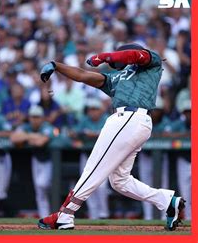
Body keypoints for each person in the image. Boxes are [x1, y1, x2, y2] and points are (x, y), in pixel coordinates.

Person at [37, 43, 185, 231]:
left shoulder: (151, 61)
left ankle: (65, 214)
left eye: (120, 55)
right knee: (119, 181)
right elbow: (83, 75)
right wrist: (57, 65)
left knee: (94, 166)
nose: (118, 59)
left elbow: (134, 55)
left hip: (130, 117)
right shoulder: (116, 78)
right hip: (132, 122)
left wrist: (105, 56)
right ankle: (166, 200)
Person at [10, 105, 55, 218]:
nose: (35, 120)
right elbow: (14, 138)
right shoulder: (26, 127)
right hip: (36, 160)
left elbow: (41, 142)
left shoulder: (47, 127)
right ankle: (44, 217)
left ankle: (53, 214)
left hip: (51, 160)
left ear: (42, 118)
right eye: (33, 117)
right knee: (39, 190)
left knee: (43, 185)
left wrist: (26, 137)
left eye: (37, 117)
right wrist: (32, 136)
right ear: (29, 118)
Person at [72, 98, 110, 219]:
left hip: (103, 157)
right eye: (91, 109)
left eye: (95, 109)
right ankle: (94, 215)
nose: (93, 112)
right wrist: (83, 134)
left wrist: (93, 134)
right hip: (87, 155)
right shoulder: (84, 120)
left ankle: (104, 213)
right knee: (86, 185)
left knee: (102, 187)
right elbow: (74, 133)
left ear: (101, 111)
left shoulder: (106, 119)